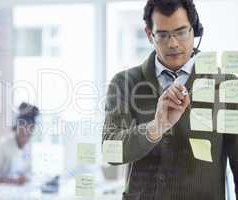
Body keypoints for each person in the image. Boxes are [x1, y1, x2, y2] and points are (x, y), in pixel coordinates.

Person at [102, 0, 238, 199]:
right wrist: (155, 128)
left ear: (195, 30)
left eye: (181, 32)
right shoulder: (124, 83)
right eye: (163, 35)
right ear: (150, 35)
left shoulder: (226, 85)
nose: (173, 43)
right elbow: (110, 151)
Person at [0, 102, 39, 186]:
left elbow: (29, 172)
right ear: (16, 129)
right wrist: (13, 181)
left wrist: (25, 178)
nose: (25, 138)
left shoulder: (28, 147)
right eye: (22, 133)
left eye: (28, 134)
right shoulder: (3, 145)